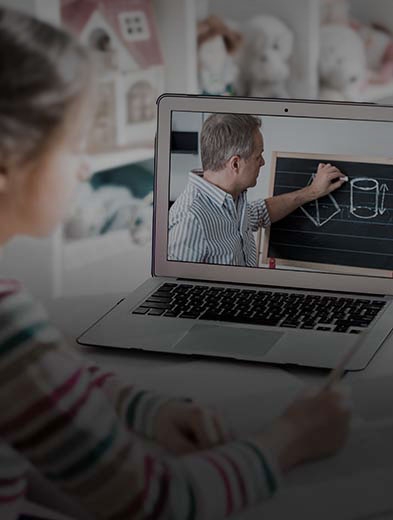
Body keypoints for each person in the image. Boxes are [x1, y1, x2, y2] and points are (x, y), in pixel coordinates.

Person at [0, 8, 351, 520]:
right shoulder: (9, 329)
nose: (81, 166)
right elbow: (163, 501)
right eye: (71, 144)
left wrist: (149, 410)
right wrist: (292, 438)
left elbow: (50, 385)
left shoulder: (231, 204)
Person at [169, 113, 346, 265]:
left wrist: (312, 191)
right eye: (258, 156)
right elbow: (176, 295)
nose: (262, 162)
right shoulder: (190, 222)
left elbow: (260, 213)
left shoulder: (230, 198)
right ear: (235, 163)